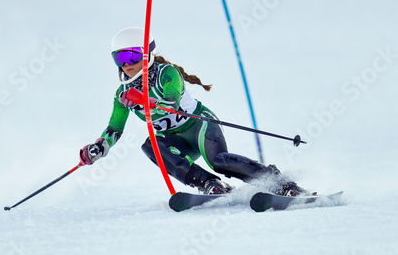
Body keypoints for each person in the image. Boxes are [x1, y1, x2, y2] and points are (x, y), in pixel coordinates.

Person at [79, 27, 303, 196]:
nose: (126, 65)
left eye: (132, 56)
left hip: (200, 126)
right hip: (177, 140)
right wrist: (100, 146)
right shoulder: (123, 94)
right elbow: (115, 129)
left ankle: (281, 183)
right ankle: (209, 184)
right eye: (120, 58)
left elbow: (170, 103)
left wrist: (143, 99)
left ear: (147, 54)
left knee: (219, 160)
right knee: (151, 145)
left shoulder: (168, 73)